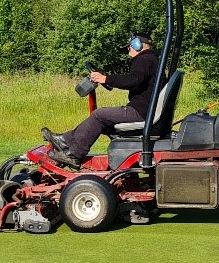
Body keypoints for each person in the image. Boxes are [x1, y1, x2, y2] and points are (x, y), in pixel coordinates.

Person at [43, 34, 159, 168]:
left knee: (99, 115)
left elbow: (133, 79)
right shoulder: (151, 60)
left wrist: (106, 79)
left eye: (129, 48)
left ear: (137, 44)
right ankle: (65, 141)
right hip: (145, 111)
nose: (128, 52)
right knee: (102, 118)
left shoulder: (144, 60)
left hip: (140, 112)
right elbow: (135, 80)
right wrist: (106, 79)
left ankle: (74, 154)